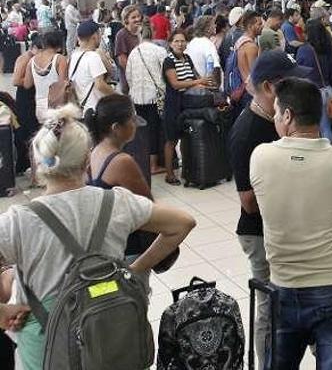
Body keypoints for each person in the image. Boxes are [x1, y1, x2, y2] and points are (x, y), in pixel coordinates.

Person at [0, 104, 195, 370]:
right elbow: (183, 223)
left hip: (46, 351)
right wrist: (136, 269)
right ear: (86, 159)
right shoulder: (116, 203)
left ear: (38, 162)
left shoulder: (18, 220)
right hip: (109, 340)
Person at [250, 77, 332, 368]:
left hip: (284, 288)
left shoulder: (261, 157)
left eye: (278, 112)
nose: (275, 118)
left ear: (288, 116)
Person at [229, 50, 308, 370]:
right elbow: (247, 201)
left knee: (285, 301)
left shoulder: (281, 121)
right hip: (259, 234)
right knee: (270, 305)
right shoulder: (247, 131)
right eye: (289, 82)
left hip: (281, 228)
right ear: (268, 87)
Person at [162, 28, 213, 185]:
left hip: (188, 103)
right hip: (173, 105)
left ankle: (188, 170)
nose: (180, 43)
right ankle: (169, 174)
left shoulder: (187, 58)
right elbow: (175, 84)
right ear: (170, 44)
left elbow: (195, 76)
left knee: (186, 137)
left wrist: (205, 83)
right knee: (171, 140)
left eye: (182, 40)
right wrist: (199, 82)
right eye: (176, 41)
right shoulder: (169, 61)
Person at [85, 94, 151, 199]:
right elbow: (148, 204)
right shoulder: (122, 161)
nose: (135, 125)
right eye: (132, 120)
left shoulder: (96, 149)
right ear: (116, 128)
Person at [126, 19, 168, 175]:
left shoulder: (133, 53)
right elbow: (166, 73)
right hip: (154, 97)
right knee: (155, 131)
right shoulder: (159, 51)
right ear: (154, 32)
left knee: (143, 131)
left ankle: (144, 163)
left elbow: (129, 76)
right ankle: (154, 165)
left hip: (137, 98)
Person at [295, 18, 332, 141]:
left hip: (312, 92)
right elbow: (331, 73)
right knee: (326, 127)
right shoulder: (329, 49)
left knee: (315, 128)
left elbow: (299, 73)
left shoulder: (304, 50)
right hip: (328, 90)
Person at [70, 20, 114, 112]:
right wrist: (117, 96)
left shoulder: (73, 56)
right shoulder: (93, 57)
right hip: (94, 108)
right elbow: (100, 85)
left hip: (81, 108)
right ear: (94, 37)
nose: (101, 37)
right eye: (99, 34)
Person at [25, 30, 68, 125]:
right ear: (59, 45)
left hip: (39, 105)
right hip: (56, 104)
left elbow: (27, 84)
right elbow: (62, 84)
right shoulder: (59, 59)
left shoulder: (32, 61)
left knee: (45, 136)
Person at [114, 5, 143, 95]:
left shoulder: (141, 32)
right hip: (131, 80)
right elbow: (122, 61)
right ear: (126, 20)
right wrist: (135, 75)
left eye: (138, 16)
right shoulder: (122, 35)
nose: (137, 19)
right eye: (133, 17)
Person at [185, 15, 222, 80]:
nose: (215, 26)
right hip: (206, 85)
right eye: (213, 24)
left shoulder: (192, 42)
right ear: (207, 28)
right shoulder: (208, 45)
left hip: (195, 83)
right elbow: (215, 67)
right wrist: (214, 86)